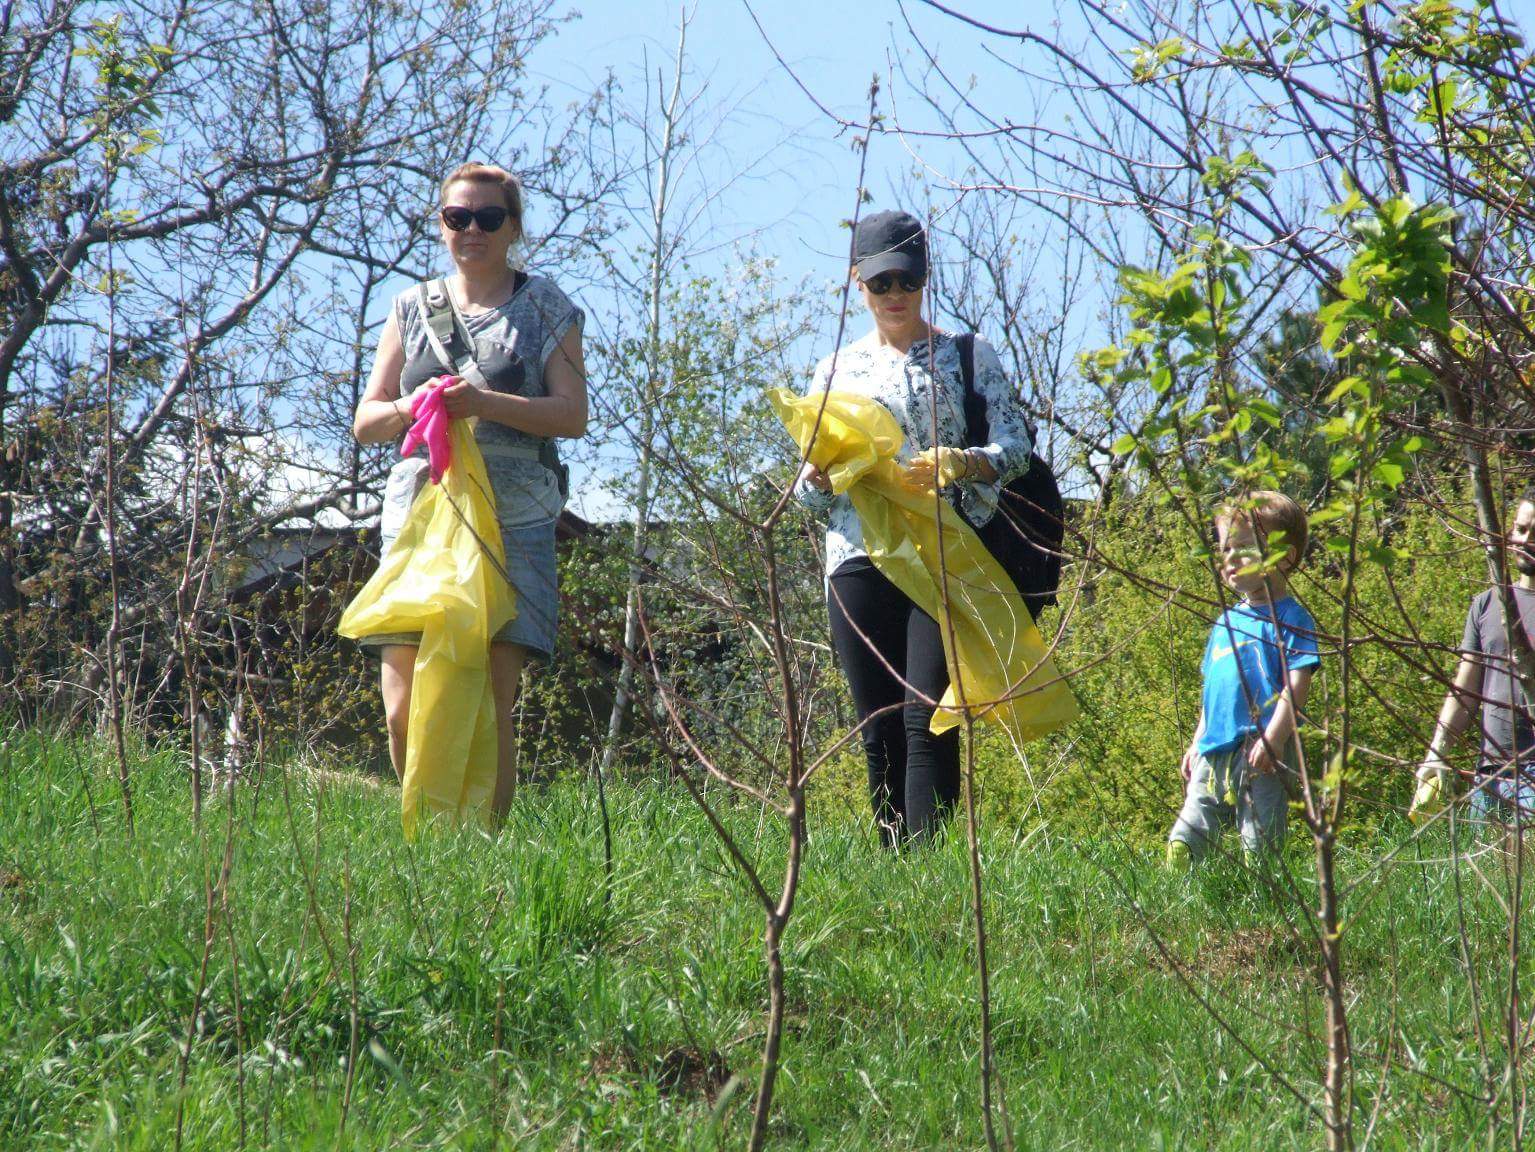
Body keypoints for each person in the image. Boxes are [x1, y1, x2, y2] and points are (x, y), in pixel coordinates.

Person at [351, 162, 587, 821]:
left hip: (513, 522)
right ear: (441, 225)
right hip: (422, 521)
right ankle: (426, 842)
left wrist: (484, 401)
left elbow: (571, 415)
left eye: (488, 218)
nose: (472, 229)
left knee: (487, 703)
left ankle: (478, 852)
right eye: (458, 217)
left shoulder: (547, 308)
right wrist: (411, 408)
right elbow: (366, 421)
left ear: (513, 227)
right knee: (402, 706)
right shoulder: (410, 309)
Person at [794, 209, 1038, 844]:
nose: (895, 296)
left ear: (924, 278)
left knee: (927, 715)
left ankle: (930, 867)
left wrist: (964, 461)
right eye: (881, 284)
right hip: (855, 556)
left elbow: (1016, 450)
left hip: (942, 553)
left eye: (906, 281)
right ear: (857, 283)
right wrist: (819, 481)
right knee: (875, 723)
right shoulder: (833, 371)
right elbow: (807, 494)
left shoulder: (967, 356)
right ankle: (894, 866)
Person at [1166, 492, 1320, 868]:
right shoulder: (1225, 623)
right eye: (1226, 547)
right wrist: (1197, 741)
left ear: (1284, 557)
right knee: (1190, 831)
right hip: (1214, 747)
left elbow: (1298, 684)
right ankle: (1180, 894)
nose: (1231, 557)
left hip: (1261, 751)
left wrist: (1275, 737)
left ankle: (1264, 905)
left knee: (1260, 839)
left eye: (1246, 547)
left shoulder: (1292, 619)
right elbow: (1212, 690)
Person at [1410, 491, 1535, 831]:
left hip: (1534, 776)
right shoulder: (1486, 604)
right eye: (1521, 529)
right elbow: (1464, 690)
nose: (1527, 541)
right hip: (1489, 774)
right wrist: (1437, 753)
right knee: (1490, 878)